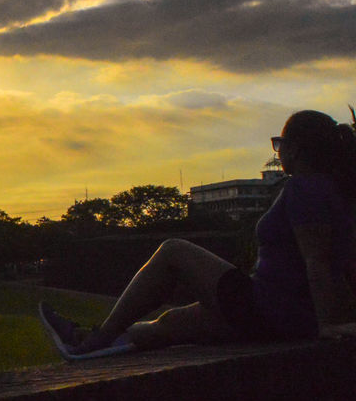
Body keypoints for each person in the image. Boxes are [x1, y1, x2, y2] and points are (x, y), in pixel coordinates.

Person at [40, 109, 356, 360]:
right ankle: (84, 341)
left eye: (279, 143)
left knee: (173, 250)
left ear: (296, 149)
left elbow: (318, 260)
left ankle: (98, 338)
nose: (278, 151)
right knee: (170, 324)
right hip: (279, 315)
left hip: (270, 308)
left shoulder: (306, 187)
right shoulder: (334, 190)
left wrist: (328, 325)